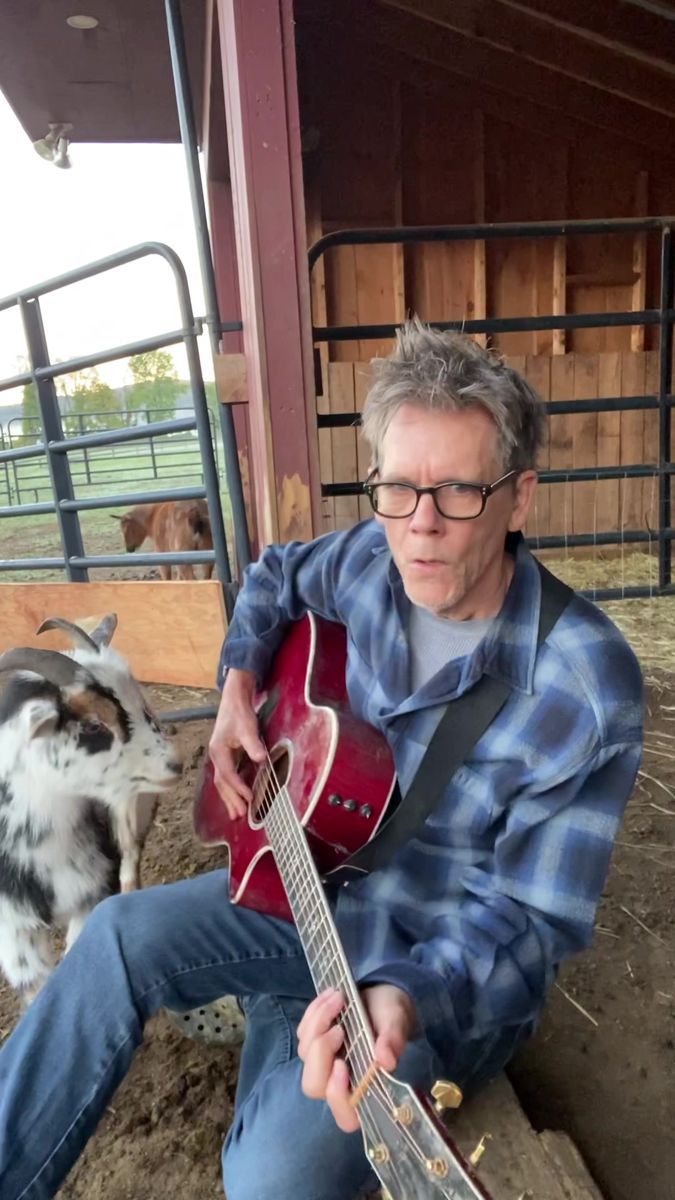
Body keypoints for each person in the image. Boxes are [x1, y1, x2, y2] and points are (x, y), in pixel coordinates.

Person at [0, 319, 643, 1200]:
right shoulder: (366, 562)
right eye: (397, 489)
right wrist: (236, 688)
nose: (420, 527)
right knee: (111, 936)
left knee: (266, 1179)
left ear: (518, 497)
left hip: (426, 966)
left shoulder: (586, 682)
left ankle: (288, 1013)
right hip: (299, 879)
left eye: (458, 491)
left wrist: (405, 998)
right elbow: (272, 575)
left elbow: (530, 923)